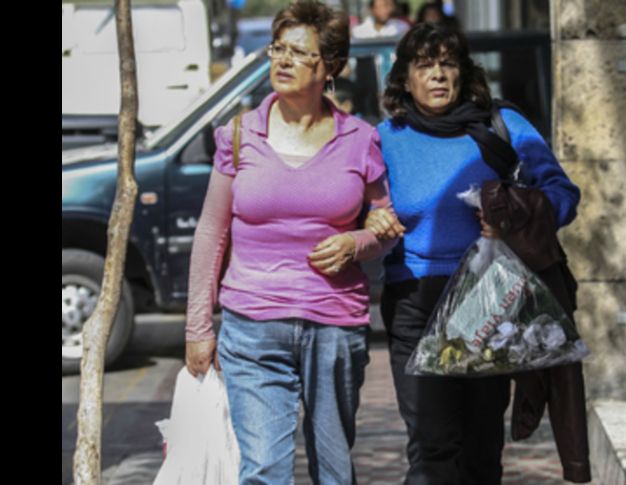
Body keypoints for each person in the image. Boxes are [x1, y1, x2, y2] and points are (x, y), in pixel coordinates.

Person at [184, 2, 403, 483]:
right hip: (252, 324)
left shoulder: (359, 139)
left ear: (331, 67)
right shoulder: (239, 134)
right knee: (264, 469)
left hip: (334, 325)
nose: (283, 60)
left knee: (333, 470)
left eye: (300, 53)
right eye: (278, 49)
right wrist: (198, 327)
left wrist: (355, 244)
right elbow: (211, 232)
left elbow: (385, 227)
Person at [364, 23, 587, 484]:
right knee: (432, 448)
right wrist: (371, 219)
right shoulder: (384, 139)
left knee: (481, 449)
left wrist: (514, 213)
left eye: (447, 63)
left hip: (489, 300)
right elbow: (357, 206)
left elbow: (563, 194)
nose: (437, 74)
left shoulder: (502, 125)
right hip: (414, 301)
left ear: (463, 73)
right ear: (404, 78)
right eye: (424, 65)